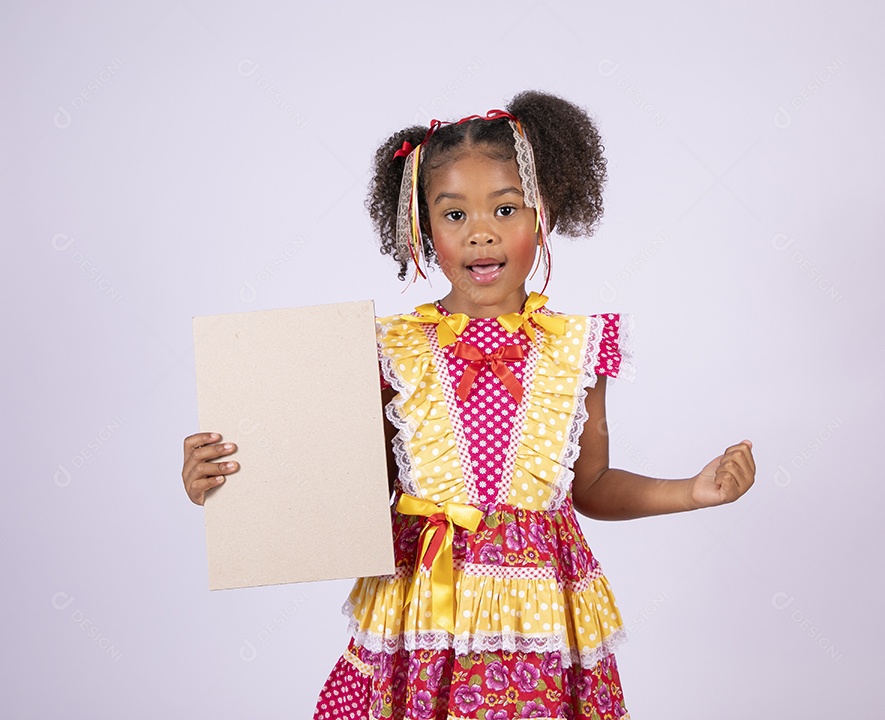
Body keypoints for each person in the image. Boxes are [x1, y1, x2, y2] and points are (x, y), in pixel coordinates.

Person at [182, 90, 756, 720]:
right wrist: (227, 486)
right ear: (422, 227)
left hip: (533, 617)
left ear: (544, 213)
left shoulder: (576, 348)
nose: (480, 231)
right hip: (422, 613)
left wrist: (691, 491)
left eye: (505, 208)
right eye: (453, 215)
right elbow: (341, 481)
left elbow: (589, 484)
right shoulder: (387, 350)